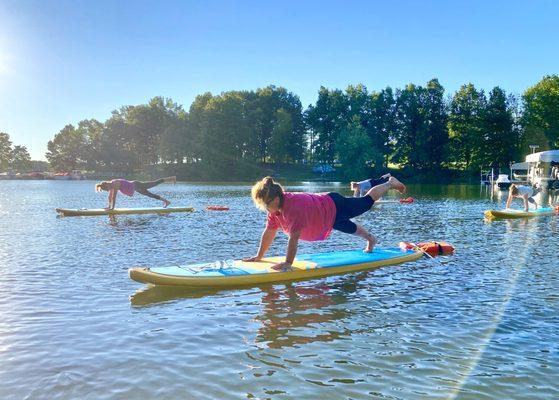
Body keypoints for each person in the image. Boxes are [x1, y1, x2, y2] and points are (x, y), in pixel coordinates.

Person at [243, 175, 406, 271]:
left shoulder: (293, 209)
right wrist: (259, 256)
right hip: (326, 216)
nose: (264, 208)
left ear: (276, 198)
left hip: (334, 204)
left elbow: (294, 238)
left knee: (366, 202)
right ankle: (371, 239)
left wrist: (287, 263)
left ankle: (389, 182)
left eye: (265, 204)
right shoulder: (275, 209)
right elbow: (269, 232)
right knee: (347, 227)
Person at [95, 176, 176, 209]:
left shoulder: (115, 183)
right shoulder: (111, 185)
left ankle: (172, 178)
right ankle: (166, 201)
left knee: (154, 183)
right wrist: (108, 207)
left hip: (136, 185)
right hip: (135, 188)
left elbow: (114, 197)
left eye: (107, 189)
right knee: (150, 195)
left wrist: (111, 208)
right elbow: (110, 197)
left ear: (107, 185)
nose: (109, 191)